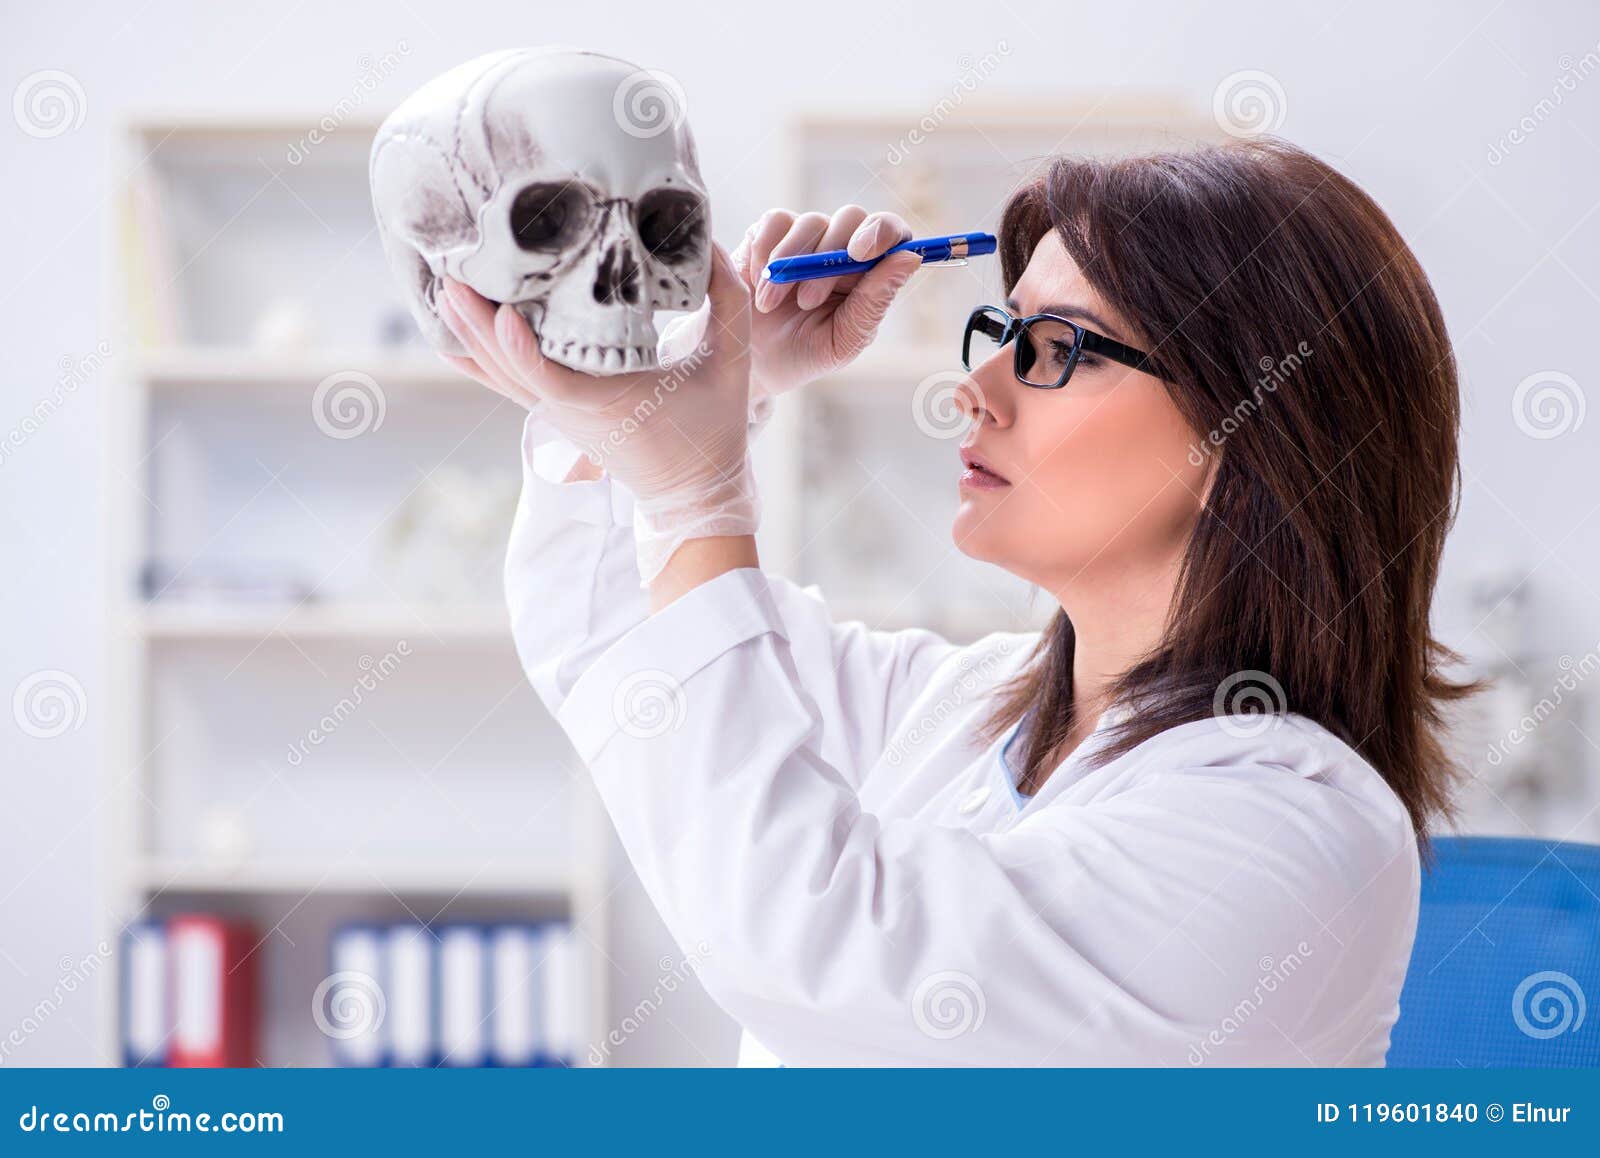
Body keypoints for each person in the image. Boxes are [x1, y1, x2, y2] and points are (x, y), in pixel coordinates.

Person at [436, 136, 1478, 1066]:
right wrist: (703, 380)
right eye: (1000, 329)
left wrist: (696, 486)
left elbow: (808, 943)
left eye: (1058, 349)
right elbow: (627, 645)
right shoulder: (966, 706)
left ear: (1243, 437)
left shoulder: (1292, 830)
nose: (977, 387)